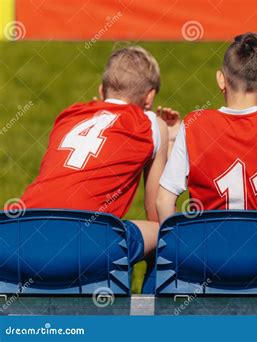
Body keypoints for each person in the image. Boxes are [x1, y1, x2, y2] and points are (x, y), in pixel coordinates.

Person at [19, 46, 179, 265]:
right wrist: (169, 143)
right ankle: (151, 300)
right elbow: (157, 210)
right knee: (165, 233)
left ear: (102, 91)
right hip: (84, 240)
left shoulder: (68, 115)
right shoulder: (150, 124)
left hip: (18, 231)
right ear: (149, 97)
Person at [156, 32, 257, 230]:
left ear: (221, 80)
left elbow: (164, 200)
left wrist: (177, 249)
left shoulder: (195, 124)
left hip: (209, 255)